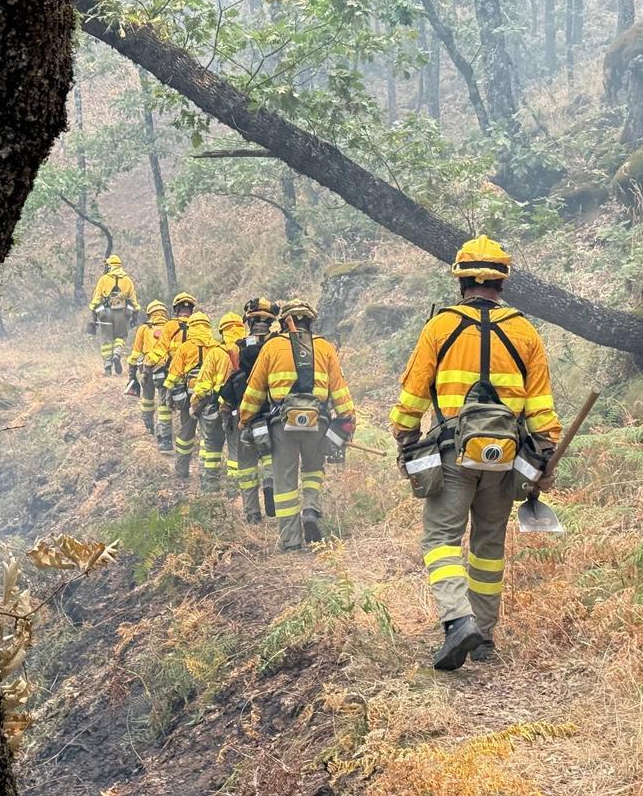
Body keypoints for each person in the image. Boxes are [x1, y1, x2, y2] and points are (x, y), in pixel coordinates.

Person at [388, 235, 561, 671]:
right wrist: (545, 455)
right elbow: (540, 407)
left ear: (461, 280)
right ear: (503, 282)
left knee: (441, 539)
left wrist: (404, 436)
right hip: (505, 458)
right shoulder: (525, 331)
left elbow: (412, 395)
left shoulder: (441, 327)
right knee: (488, 543)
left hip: (451, 457)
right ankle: (483, 635)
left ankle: (456, 620)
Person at [239, 299, 354, 550]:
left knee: (285, 482)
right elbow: (340, 389)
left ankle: (291, 541)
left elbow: (255, 389)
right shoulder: (325, 347)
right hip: (319, 421)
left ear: (283, 322)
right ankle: (311, 507)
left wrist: (245, 419)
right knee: (313, 468)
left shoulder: (271, 347)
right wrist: (347, 419)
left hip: (282, 426)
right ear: (310, 321)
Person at [220, 300, 280, 522]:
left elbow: (231, 379)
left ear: (250, 321)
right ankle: (270, 481)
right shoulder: (279, 345)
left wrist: (225, 408)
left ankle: (252, 513)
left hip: (245, 412)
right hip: (273, 412)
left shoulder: (238, 347)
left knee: (246, 466)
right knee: (271, 455)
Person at [190, 312, 247, 494]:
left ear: (222, 332)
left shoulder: (215, 352)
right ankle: (233, 490)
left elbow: (203, 383)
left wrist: (195, 403)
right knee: (235, 450)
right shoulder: (248, 351)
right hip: (239, 409)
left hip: (214, 408)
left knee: (212, 446)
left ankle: (211, 486)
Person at [162, 311, 216, 479]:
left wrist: (170, 396)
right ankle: (206, 474)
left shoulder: (184, 347)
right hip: (209, 398)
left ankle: (182, 469)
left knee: (186, 434)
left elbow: (174, 375)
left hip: (187, 399)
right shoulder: (215, 347)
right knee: (209, 435)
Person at [145, 292, 198, 454]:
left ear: (176, 309)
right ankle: (187, 440)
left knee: (164, 406)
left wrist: (149, 362)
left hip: (172, 375)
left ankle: (166, 442)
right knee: (189, 410)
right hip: (193, 377)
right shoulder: (199, 327)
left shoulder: (170, 326)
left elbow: (161, 348)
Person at [88, 254, 140, 375]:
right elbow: (134, 302)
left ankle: (107, 367)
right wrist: (134, 317)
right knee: (121, 337)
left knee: (106, 340)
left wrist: (94, 318)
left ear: (110, 266)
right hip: (122, 314)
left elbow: (95, 300)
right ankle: (116, 354)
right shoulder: (127, 280)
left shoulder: (104, 279)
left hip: (105, 314)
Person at [128, 300, 169, 436]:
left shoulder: (144, 329)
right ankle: (164, 434)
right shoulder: (171, 327)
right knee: (164, 402)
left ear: (149, 314)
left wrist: (133, 373)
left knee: (147, 398)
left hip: (148, 368)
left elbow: (136, 353)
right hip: (165, 369)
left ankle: (148, 424)